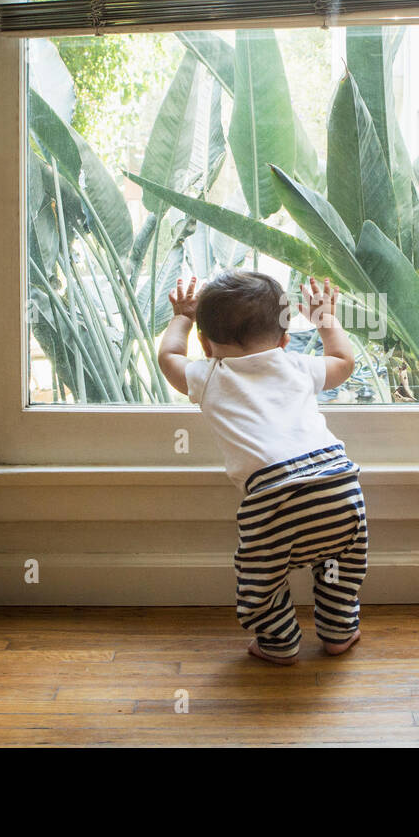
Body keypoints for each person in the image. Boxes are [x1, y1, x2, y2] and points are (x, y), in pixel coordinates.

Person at [157, 270, 367, 664]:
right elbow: (343, 360)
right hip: (339, 484)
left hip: (273, 499)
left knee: (262, 581)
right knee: (340, 568)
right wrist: (326, 319)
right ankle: (340, 631)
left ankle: (279, 642)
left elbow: (168, 358)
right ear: (285, 340)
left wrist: (182, 317)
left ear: (205, 344)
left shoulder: (208, 375)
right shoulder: (295, 366)